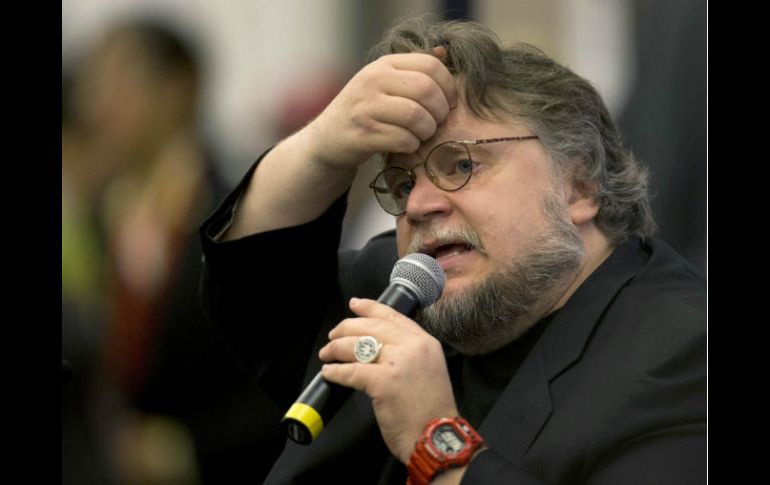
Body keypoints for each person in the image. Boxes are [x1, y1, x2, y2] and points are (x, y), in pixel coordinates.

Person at [199, 16, 706, 484]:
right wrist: (322, 147)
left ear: (579, 187)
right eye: (402, 185)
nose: (419, 205)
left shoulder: (685, 353)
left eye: (462, 165)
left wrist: (436, 442)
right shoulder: (398, 294)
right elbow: (251, 285)